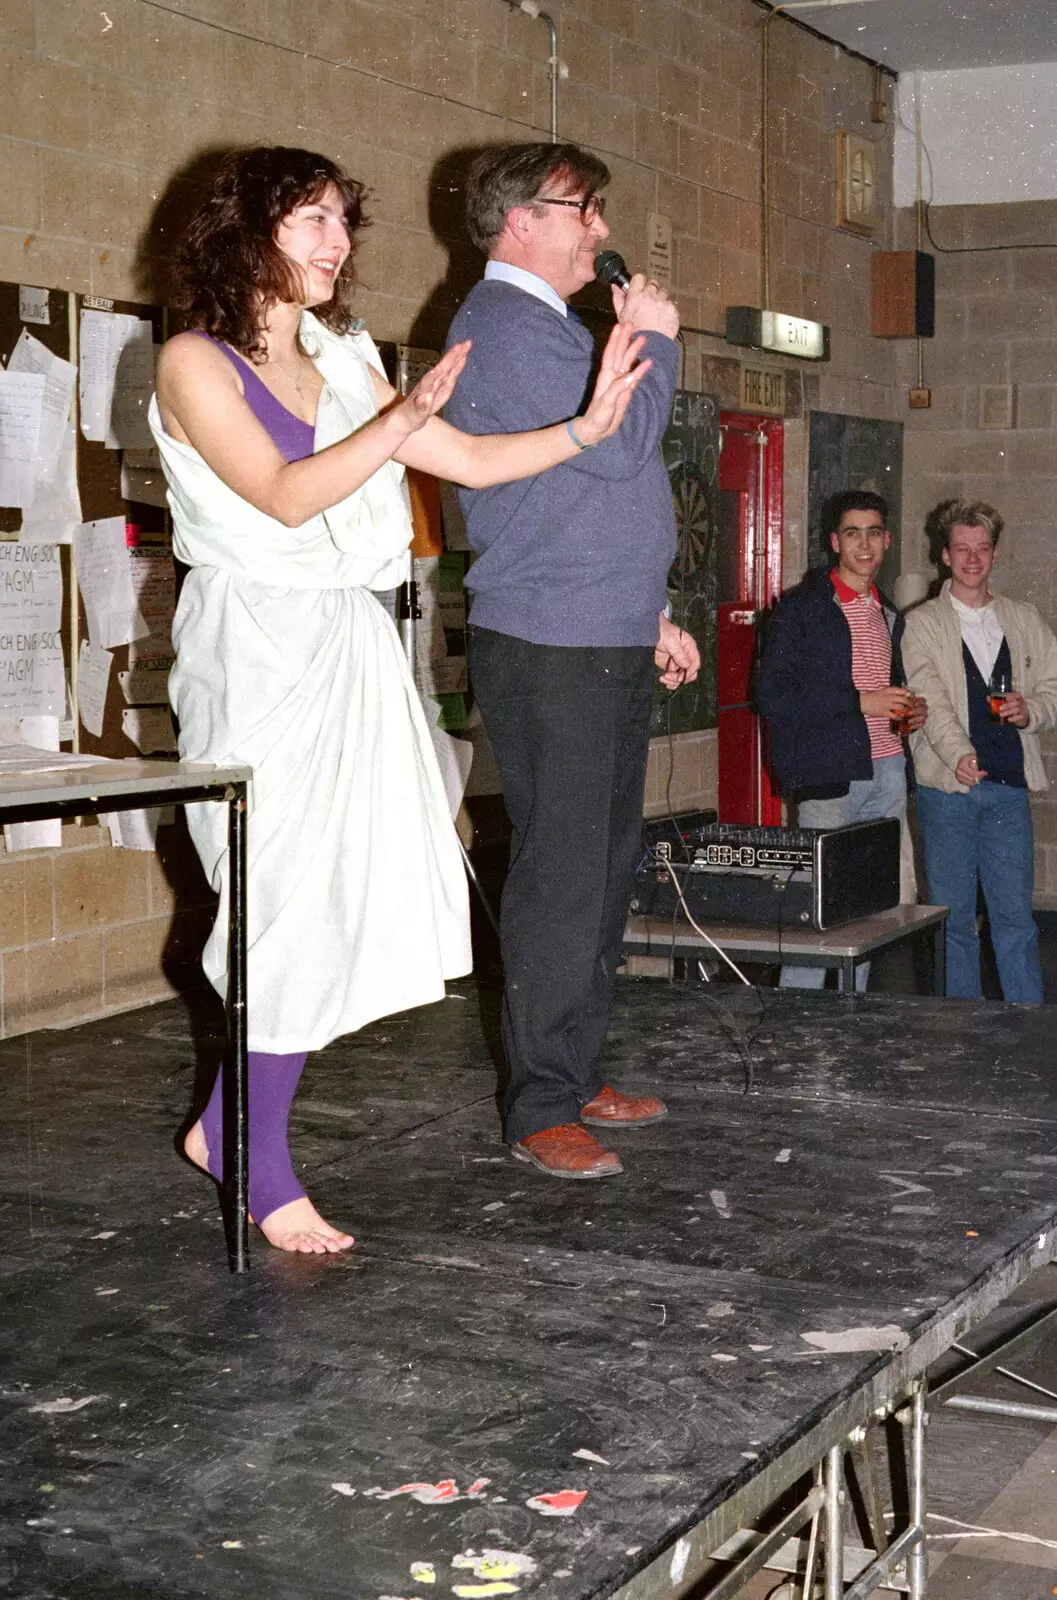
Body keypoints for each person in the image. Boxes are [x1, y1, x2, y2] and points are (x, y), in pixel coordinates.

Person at [151, 145, 652, 1251]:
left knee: (330, 906)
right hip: (257, 649)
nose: (338, 245)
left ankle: (231, 1124)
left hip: (345, 642)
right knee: (276, 901)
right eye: (313, 222)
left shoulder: (336, 353)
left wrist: (585, 430)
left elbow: (463, 459)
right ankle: (257, 1158)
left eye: (342, 223)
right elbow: (283, 497)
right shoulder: (192, 361)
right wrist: (393, 422)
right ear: (246, 232)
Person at [444, 142, 700, 1182]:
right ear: (520, 222)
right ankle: (540, 1103)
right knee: (559, 877)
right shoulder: (507, 327)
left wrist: (647, 611)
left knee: (599, 872)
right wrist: (657, 341)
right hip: (549, 643)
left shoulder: (549, 326)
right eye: (580, 209)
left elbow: (584, 498)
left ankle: (574, 1070)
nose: (599, 228)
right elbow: (623, 445)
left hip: (597, 628)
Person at [757, 489, 926, 990]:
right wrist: (861, 702)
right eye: (853, 533)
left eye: (874, 532)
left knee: (870, 916)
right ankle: (795, 1029)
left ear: (887, 540)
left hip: (888, 770)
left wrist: (908, 712)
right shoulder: (802, 611)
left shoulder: (887, 612)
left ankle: (850, 1022)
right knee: (816, 918)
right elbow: (773, 695)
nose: (865, 544)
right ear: (835, 541)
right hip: (831, 781)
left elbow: (884, 689)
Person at [902, 500, 1057, 1003]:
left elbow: (1053, 688)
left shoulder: (1024, 618)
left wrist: (1031, 710)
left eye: (982, 548)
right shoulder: (922, 622)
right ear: (944, 555)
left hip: (1009, 791)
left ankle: (1028, 1029)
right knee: (954, 924)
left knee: (1016, 920)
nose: (973, 559)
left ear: (993, 554)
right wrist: (958, 754)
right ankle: (959, 1038)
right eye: (962, 549)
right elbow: (930, 698)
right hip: (947, 790)